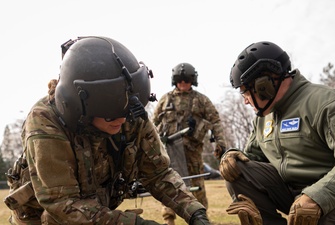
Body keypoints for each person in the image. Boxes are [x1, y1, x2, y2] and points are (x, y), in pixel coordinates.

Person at [4, 36, 211, 225]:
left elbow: (158, 174)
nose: (121, 119)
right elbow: (62, 204)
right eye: (111, 114)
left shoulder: (128, 111)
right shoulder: (45, 120)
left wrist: (195, 212)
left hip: (98, 210)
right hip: (43, 218)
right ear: (80, 109)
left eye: (126, 111)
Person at [219, 41, 335, 225]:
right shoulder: (263, 117)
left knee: (315, 218)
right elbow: (253, 158)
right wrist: (233, 156)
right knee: (236, 171)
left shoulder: (327, 104)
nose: (245, 101)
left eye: (245, 92)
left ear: (264, 86)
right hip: (292, 193)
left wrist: (317, 197)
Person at [152, 63, 226, 225]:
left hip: (192, 151)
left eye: (187, 80)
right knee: (169, 183)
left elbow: (215, 121)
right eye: (180, 80)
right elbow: (152, 124)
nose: (183, 83)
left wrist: (220, 142)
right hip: (169, 151)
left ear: (192, 80)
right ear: (175, 81)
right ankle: (168, 219)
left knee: (197, 184)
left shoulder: (200, 100)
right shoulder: (165, 99)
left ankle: (201, 218)